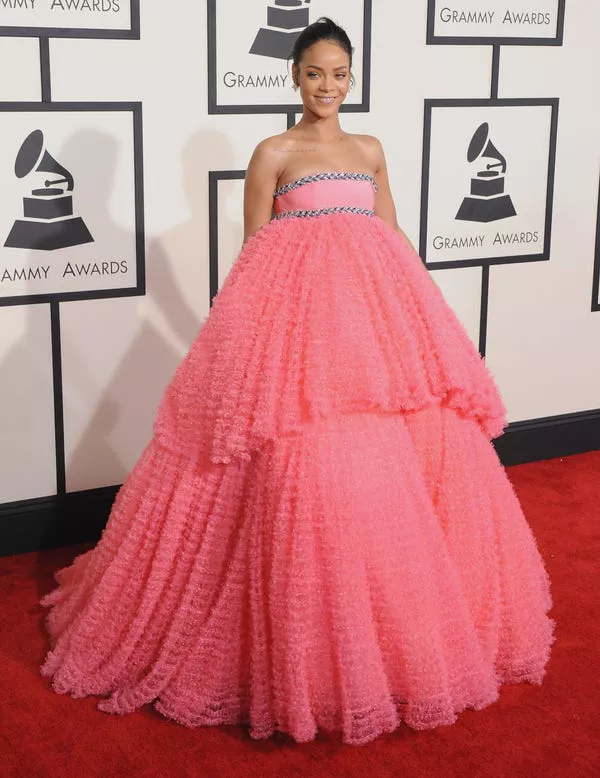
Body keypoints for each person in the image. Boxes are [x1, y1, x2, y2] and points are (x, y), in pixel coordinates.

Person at [40, 17, 555, 746]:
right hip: (300, 340)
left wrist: (423, 308)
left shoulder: (371, 149)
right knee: (298, 466)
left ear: (353, 77)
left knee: (407, 460)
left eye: (340, 73)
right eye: (315, 72)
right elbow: (253, 252)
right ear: (295, 77)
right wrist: (241, 349)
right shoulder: (273, 152)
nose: (328, 86)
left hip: (375, 331)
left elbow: (392, 233)